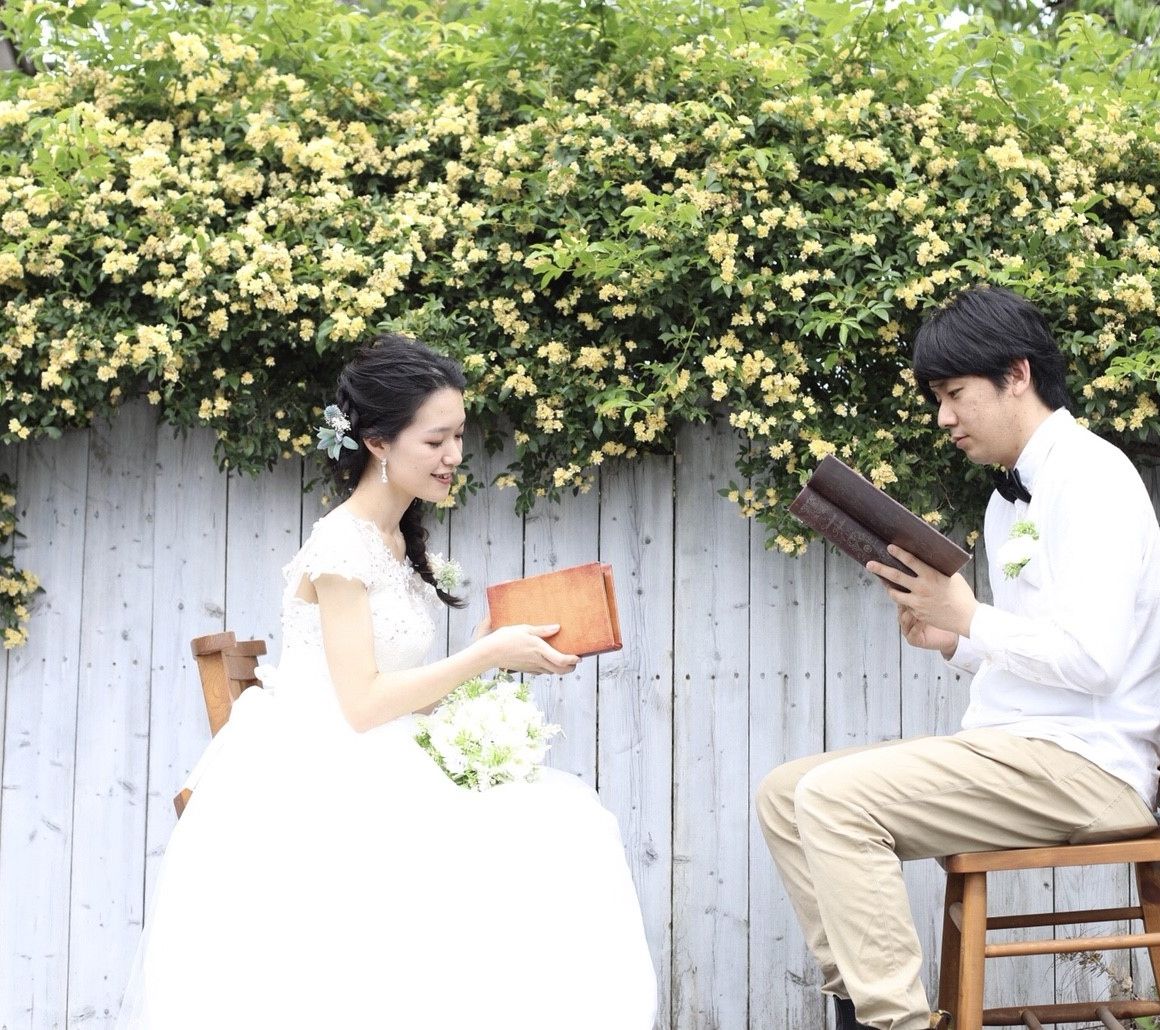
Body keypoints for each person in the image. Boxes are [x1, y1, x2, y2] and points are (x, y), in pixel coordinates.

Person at [116, 333, 658, 1030]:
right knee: (553, 834)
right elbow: (364, 704)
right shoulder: (342, 548)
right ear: (377, 442)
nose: (454, 455)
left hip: (379, 748)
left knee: (570, 821)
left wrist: (497, 650)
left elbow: (401, 690)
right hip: (325, 769)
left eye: (458, 436)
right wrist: (487, 654)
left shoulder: (395, 540)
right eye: (435, 440)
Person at [755, 286, 1160, 1030]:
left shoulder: (1094, 479)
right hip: (1018, 748)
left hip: (1089, 767)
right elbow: (1037, 647)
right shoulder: (1008, 500)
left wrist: (971, 616)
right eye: (938, 398)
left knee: (834, 800)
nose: (943, 417)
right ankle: (858, 1006)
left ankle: (899, 1025)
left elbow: (1096, 662)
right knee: (784, 794)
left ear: (1017, 374)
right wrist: (954, 639)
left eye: (954, 394)